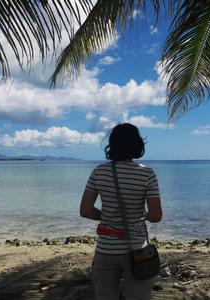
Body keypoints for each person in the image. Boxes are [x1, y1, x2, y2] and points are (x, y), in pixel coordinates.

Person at [80, 123, 163, 300]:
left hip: (106, 250)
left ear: (112, 145)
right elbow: (156, 216)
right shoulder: (147, 174)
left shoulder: (99, 171)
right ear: (138, 145)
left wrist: (106, 216)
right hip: (137, 251)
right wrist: (143, 215)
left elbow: (85, 210)